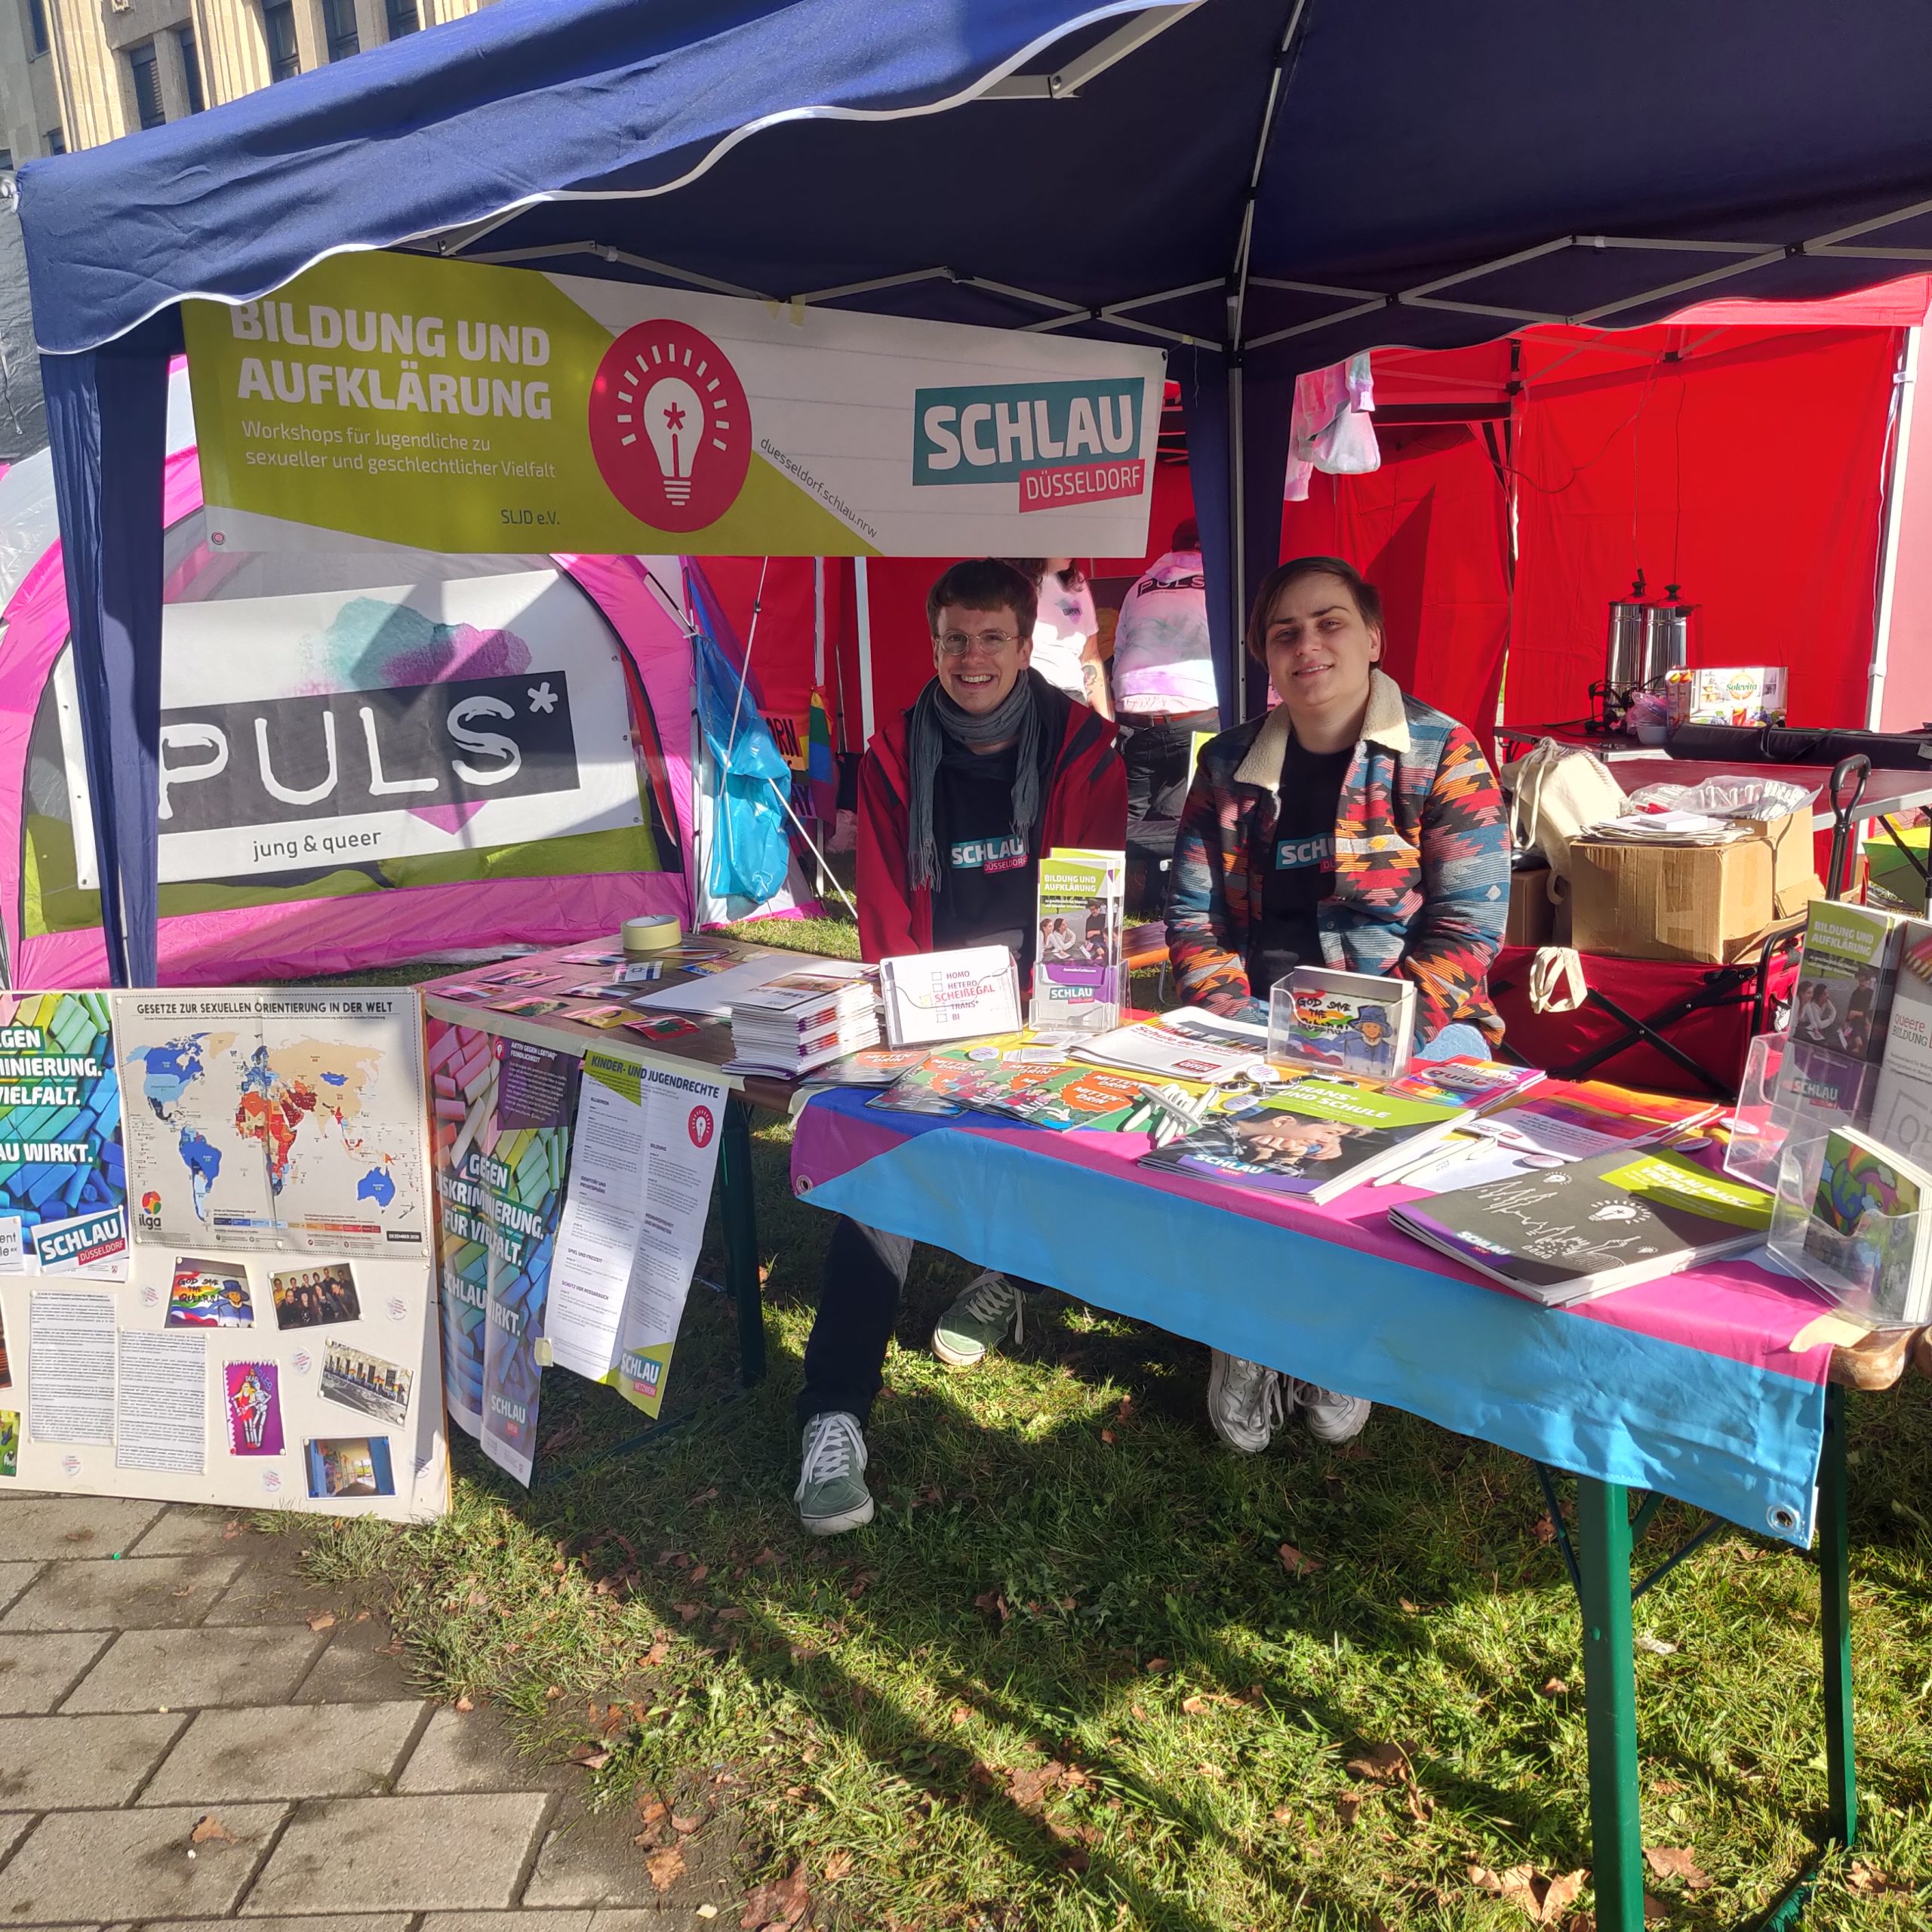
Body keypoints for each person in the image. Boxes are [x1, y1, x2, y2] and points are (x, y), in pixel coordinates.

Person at [797, 558, 1127, 1535]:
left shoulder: (1086, 749)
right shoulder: (895, 751)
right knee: (877, 1175)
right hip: (933, 1004)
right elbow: (890, 917)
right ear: (932, 645)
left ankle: (1004, 1279)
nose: (971, 657)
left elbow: (1089, 895)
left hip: (1050, 1002)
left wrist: (1051, 1019)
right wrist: (912, 1027)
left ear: (1027, 647)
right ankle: (831, 1417)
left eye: (990, 638)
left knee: (1042, 1146)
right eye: (953, 639)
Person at [1167, 554, 1509, 1454]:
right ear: (1264, 657)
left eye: (1328, 623)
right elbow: (1194, 923)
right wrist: (1235, 1026)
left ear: (1372, 637)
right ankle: (1248, 1330)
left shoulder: (1443, 751)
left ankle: (1335, 1331)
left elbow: (1467, 932)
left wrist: (1379, 1039)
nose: (1307, 646)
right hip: (1258, 1016)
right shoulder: (1229, 762)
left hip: (1410, 1020)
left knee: (1395, 1123)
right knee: (1220, 1117)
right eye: (1284, 633)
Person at [1112, 521, 1220, 910]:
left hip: (1134, 709)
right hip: (1195, 708)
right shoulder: (1220, 583)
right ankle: (1164, 899)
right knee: (1184, 806)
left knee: (1128, 810)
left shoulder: (1139, 586)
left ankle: (1122, 900)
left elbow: (1120, 645)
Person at [1003, 558, 1111, 718]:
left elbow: (1091, 656)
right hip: (1028, 698)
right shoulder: (1008, 581)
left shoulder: (1076, 582)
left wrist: (1105, 721)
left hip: (1074, 699)